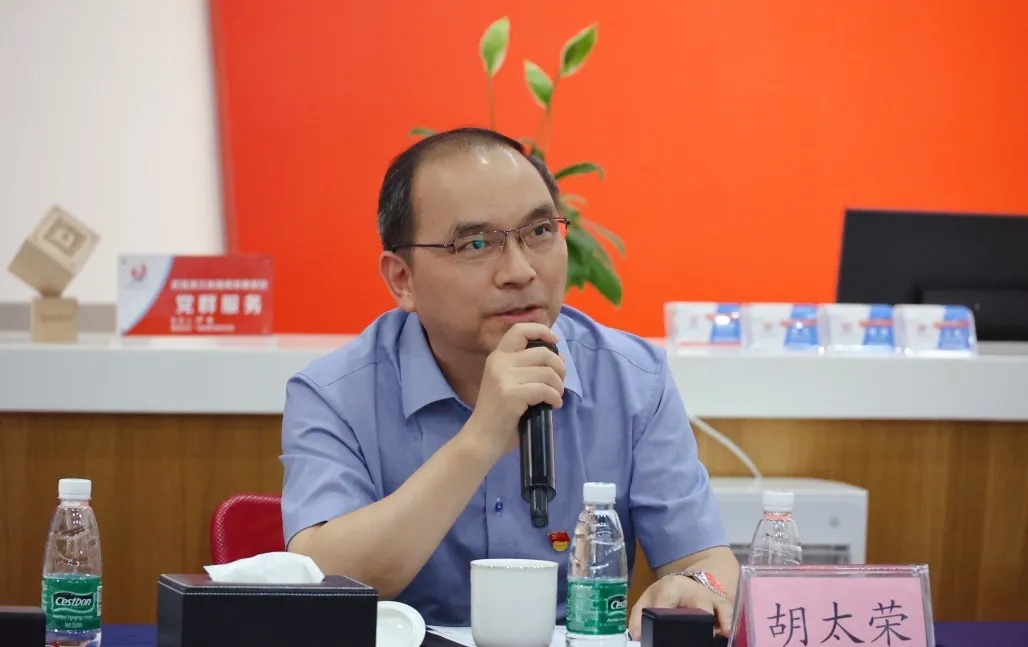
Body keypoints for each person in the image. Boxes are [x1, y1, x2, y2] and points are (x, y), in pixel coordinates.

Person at [280, 127, 739, 637]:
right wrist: (481, 438)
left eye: (539, 232)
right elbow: (321, 582)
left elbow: (705, 558)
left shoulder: (632, 379)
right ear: (402, 279)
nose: (520, 271)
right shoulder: (334, 394)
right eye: (475, 243)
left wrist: (698, 585)